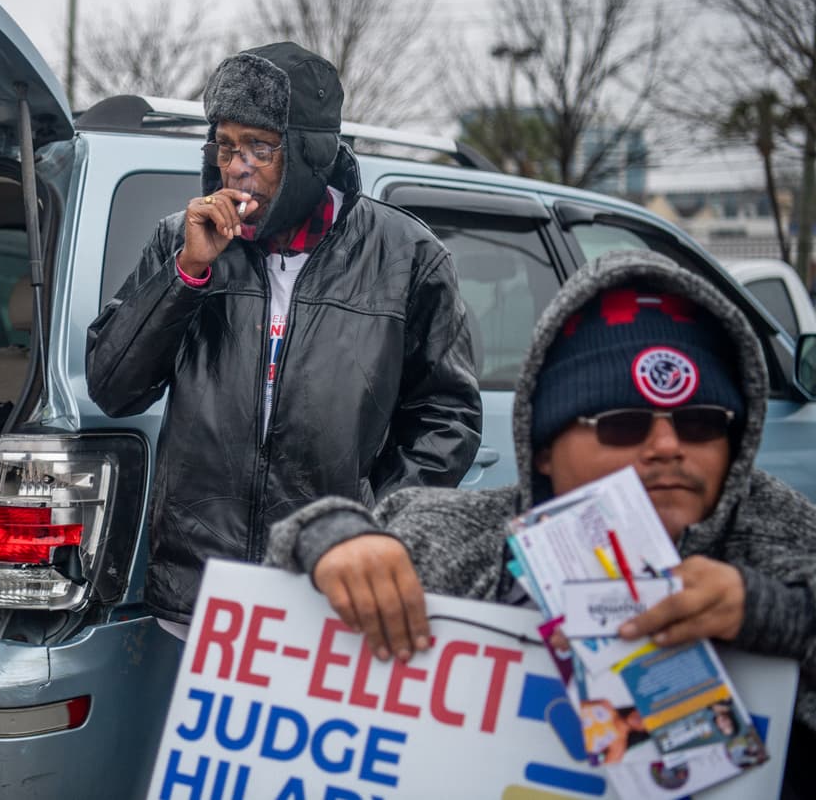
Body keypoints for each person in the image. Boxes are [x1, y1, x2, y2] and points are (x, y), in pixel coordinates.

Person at [266, 249, 815, 797]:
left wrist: (775, 614)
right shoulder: (444, 533)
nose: (668, 447)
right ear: (545, 447)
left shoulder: (791, 538)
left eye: (700, 423)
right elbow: (276, 614)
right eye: (624, 425)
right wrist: (331, 541)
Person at [85, 41, 481, 631]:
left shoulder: (407, 255)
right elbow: (114, 388)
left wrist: (371, 532)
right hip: (200, 592)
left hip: (329, 591)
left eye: (260, 148)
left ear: (309, 152)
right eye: (225, 146)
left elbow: (446, 417)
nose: (237, 166)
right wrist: (187, 276)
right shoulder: (180, 241)